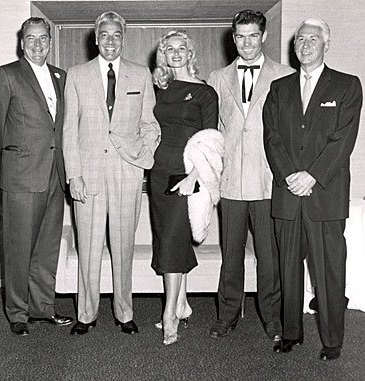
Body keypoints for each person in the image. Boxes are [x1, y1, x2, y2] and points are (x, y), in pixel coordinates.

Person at [263, 17, 362, 361]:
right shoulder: (279, 89)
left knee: (329, 270)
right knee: (288, 268)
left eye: (312, 40)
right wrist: (292, 175)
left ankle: (332, 340)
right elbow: (272, 138)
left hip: (325, 195)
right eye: (300, 40)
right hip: (288, 193)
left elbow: (342, 141)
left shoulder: (348, 86)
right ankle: (291, 332)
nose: (305, 45)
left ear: (325, 44)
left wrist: (312, 176)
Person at [64, 11, 160, 335]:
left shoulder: (140, 74)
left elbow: (150, 124)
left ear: (123, 38)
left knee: (123, 247)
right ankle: (86, 314)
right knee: (88, 248)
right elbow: (68, 130)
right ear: (95, 38)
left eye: (116, 35)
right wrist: (73, 175)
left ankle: (124, 312)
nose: (110, 41)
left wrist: (142, 157)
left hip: (126, 174)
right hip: (87, 175)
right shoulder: (76, 75)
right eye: (104, 34)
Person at [207, 9, 295, 341]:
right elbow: (212, 132)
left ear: (264, 36)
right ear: (233, 38)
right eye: (240, 36)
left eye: (253, 36)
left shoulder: (286, 75)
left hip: (268, 180)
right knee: (230, 254)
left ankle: (273, 318)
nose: (246, 42)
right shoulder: (216, 78)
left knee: (268, 256)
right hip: (229, 182)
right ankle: (227, 314)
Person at [0, 17, 73, 336]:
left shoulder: (60, 76)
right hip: (22, 175)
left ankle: (42, 308)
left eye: (43, 39)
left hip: (55, 174)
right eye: (31, 39)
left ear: (50, 42)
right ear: (22, 43)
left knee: (47, 247)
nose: (38, 45)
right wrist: (17, 157)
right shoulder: (6, 75)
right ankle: (17, 313)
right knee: (19, 248)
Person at [151, 31, 220, 345]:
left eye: (182, 48)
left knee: (173, 238)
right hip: (159, 171)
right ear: (163, 54)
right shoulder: (159, 88)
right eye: (170, 49)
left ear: (191, 53)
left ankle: (169, 314)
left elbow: (211, 140)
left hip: (188, 173)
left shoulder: (205, 93)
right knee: (169, 236)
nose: (176, 53)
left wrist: (195, 175)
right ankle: (182, 303)